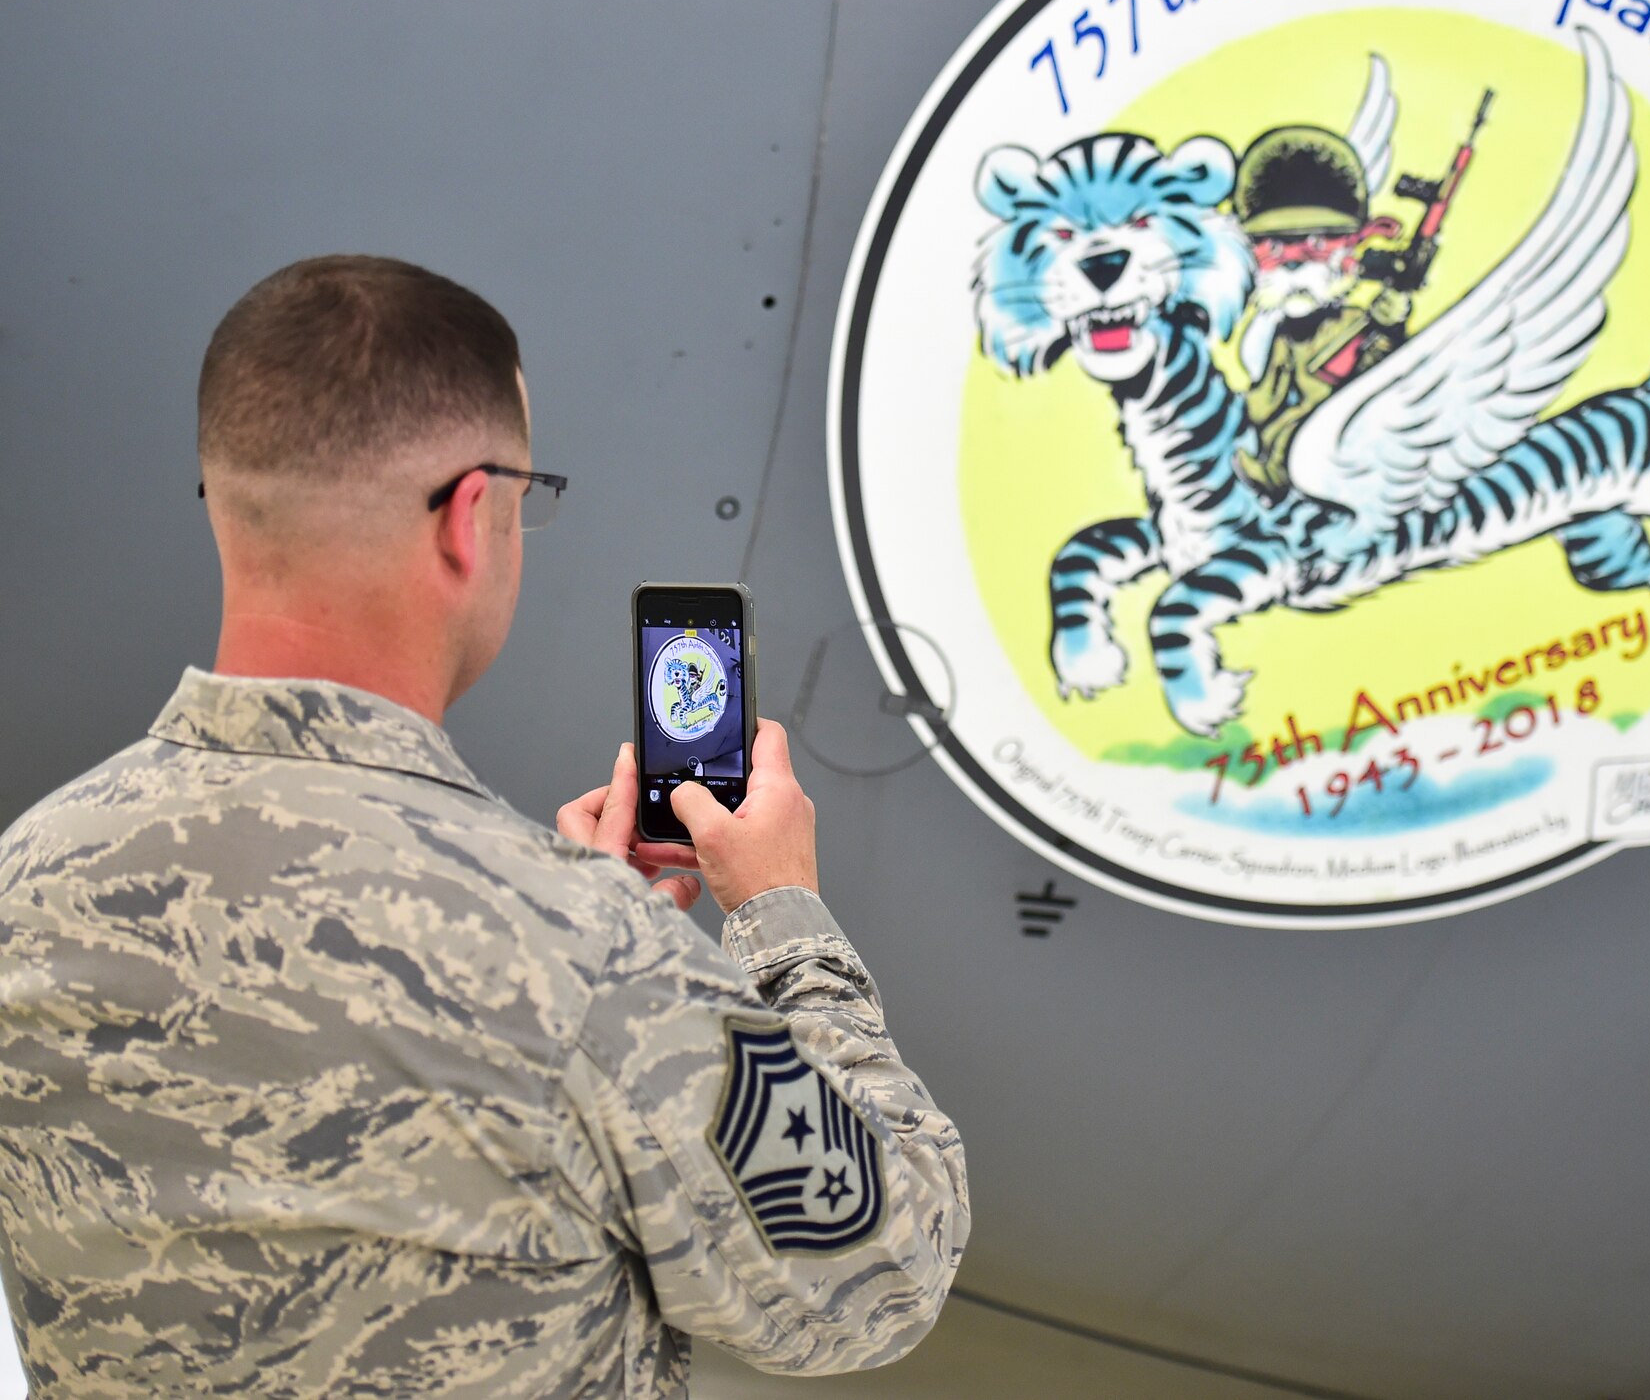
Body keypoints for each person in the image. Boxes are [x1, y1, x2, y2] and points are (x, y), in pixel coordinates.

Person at [0, 256, 969, 1397]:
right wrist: (778, 921)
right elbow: (881, 1268)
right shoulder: (584, 963)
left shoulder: (28, 881)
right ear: (472, 516)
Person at [1233, 125, 1412, 501]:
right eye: (1277, 249)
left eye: (1315, 244)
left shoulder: (1356, 324)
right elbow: (1267, 394)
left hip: (1351, 440)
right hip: (1303, 444)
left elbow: (1386, 376)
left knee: (1295, 437)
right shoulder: (1284, 333)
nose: (1295, 266)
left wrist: (1392, 328)